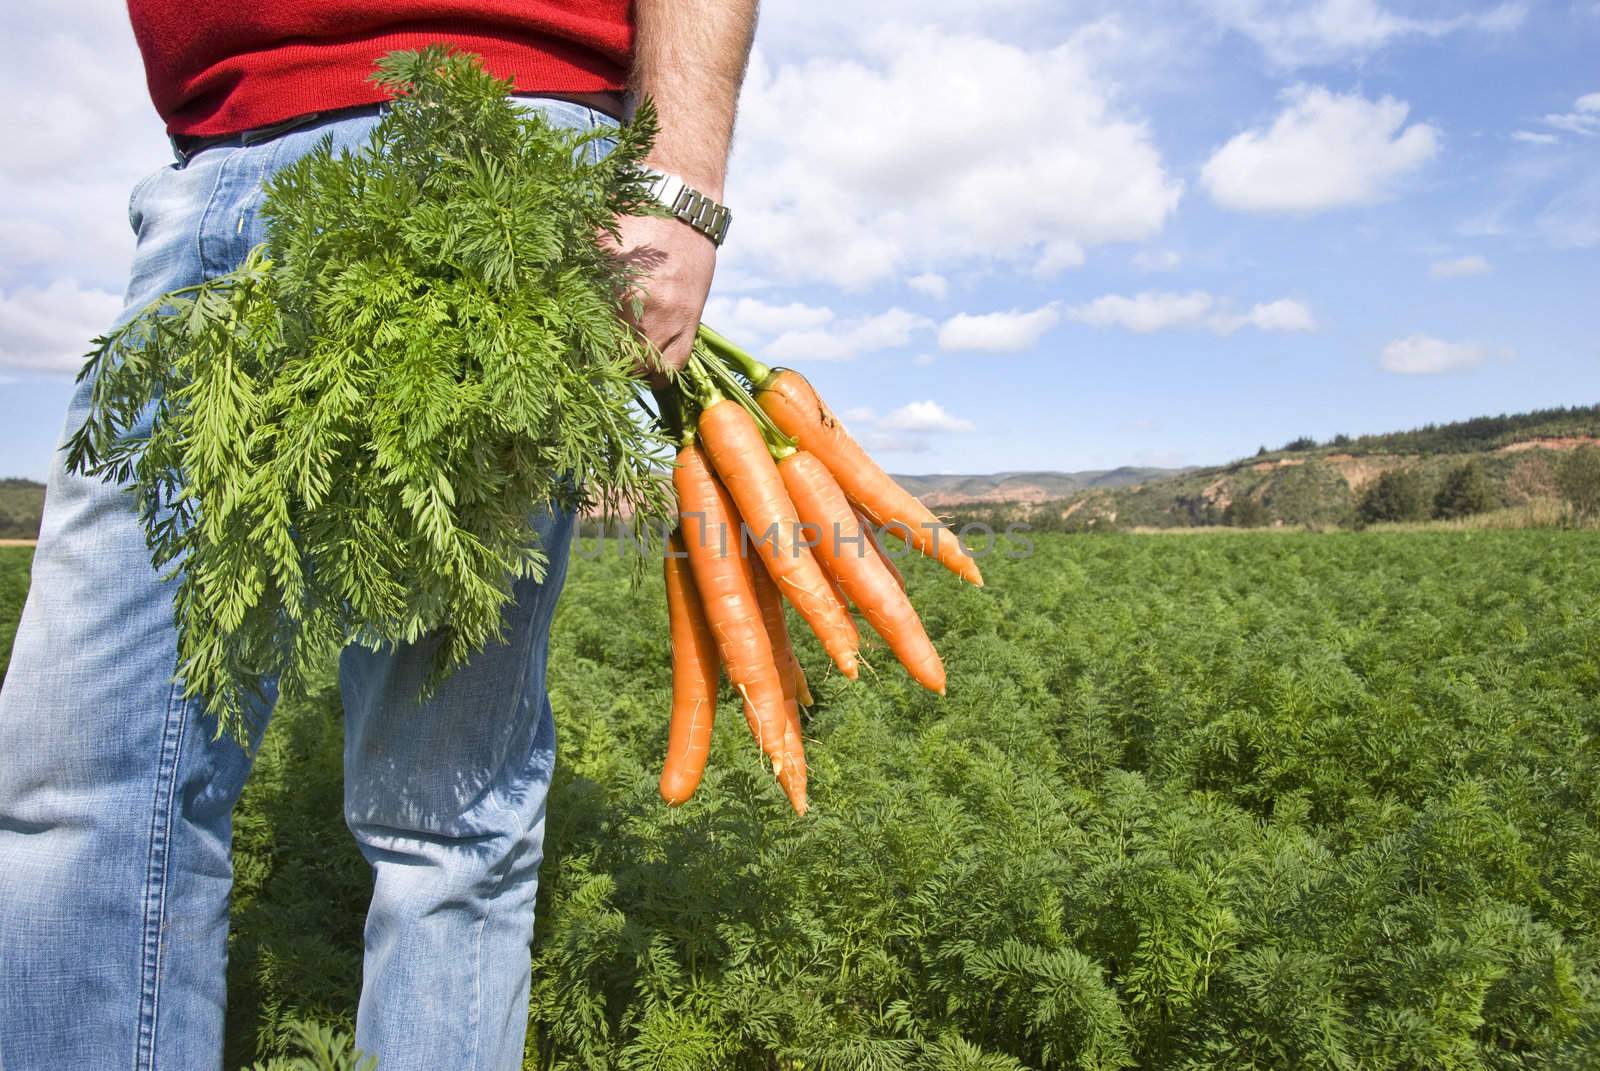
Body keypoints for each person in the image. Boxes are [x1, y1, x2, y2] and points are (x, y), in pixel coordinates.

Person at [0, 1, 757, 1067]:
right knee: (81, 784)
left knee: (444, 816)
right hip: (212, 164)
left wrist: (677, 183)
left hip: (502, 145)